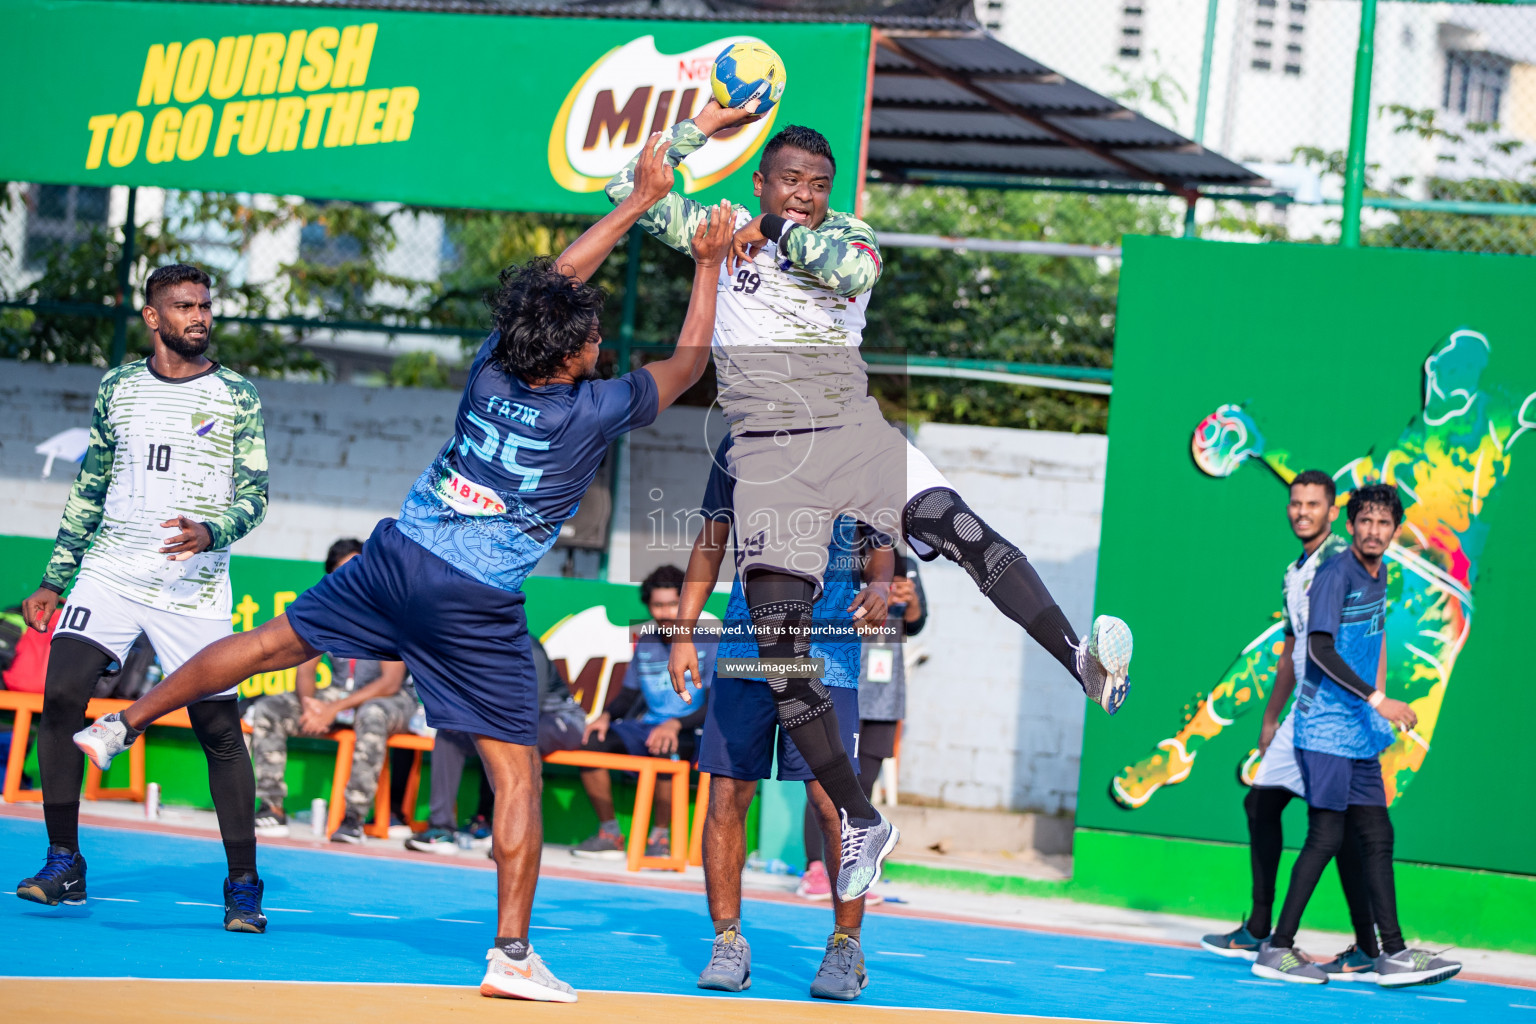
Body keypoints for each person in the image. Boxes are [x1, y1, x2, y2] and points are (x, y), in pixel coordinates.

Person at [71, 137, 734, 1003]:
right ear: (571, 356)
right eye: (593, 337)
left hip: (396, 557)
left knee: (268, 644)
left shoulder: (493, 369)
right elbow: (689, 363)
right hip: (472, 597)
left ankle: (123, 722)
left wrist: (637, 204)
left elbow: (553, 285)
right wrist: (711, 262)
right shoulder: (592, 411)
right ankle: (511, 955)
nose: (600, 340)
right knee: (516, 771)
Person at [610, 101, 1133, 901]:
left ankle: (1081, 662)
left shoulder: (847, 237)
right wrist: (705, 126)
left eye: (817, 184)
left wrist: (772, 231)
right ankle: (861, 819)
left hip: (853, 433)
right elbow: (627, 185)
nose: (805, 194)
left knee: (963, 531)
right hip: (770, 456)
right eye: (789, 181)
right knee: (782, 654)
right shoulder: (719, 232)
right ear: (762, 180)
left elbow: (848, 272)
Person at [15, 263, 269, 933]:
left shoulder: (237, 395)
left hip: (194, 582)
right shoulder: (118, 389)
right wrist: (54, 577)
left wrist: (215, 529)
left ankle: (243, 882)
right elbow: (89, 487)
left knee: (218, 728)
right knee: (63, 693)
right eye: (184, 305)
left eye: (205, 305)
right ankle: (64, 860)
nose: (199, 316)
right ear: (153, 317)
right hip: (112, 570)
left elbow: (256, 496)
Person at [671, 433, 890, 1001]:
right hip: (746, 647)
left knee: (833, 804)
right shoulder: (739, 442)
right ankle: (727, 943)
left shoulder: (855, 436)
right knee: (726, 797)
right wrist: (684, 630)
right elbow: (710, 541)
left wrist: (882, 583)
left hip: (828, 654)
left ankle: (846, 945)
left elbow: (881, 538)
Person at [1251, 485, 1461, 987]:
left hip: (1359, 731)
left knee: (1377, 836)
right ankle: (1276, 948)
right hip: (1322, 729)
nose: (1373, 531)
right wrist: (1377, 699)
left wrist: (1376, 701)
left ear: (1394, 530)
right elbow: (1320, 649)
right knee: (1325, 835)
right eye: (1365, 521)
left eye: (1383, 523)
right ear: (1350, 527)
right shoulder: (1334, 575)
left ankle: (1392, 953)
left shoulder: (1380, 571)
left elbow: (1373, 636)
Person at [1201, 471, 1381, 980]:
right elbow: (1290, 648)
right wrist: (1270, 715)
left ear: (1331, 510)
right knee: (1274, 806)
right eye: (1295, 503)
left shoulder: (1341, 563)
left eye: (1313, 504)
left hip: (1328, 710)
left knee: (1330, 823)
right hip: (1301, 709)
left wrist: (1367, 702)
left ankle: (1283, 936)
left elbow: (1365, 638)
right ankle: (1276, 931)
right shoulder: (1295, 570)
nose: (1301, 511)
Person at [250, 537, 418, 843]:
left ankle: (354, 818)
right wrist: (311, 703)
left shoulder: (391, 610)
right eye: (344, 570)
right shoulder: (328, 607)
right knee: (269, 709)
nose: (354, 575)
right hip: (340, 695)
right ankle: (272, 808)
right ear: (332, 576)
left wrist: (333, 709)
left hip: (390, 699)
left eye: (359, 567)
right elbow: (306, 668)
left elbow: (390, 683)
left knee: (373, 714)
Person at [799, 547, 925, 901]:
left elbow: (916, 623)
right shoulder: (839, 556)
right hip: (842, 676)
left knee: (863, 782)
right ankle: (815, 869)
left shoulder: (907, 566)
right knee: (826, 780)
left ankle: (856, 868)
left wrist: (907, 600)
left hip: (884, 690)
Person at [571, 565, 715, 861]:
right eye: (657, 605)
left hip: (693, 732)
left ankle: (660, 839)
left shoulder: (710, 643)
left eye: (673, 604)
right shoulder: (646, 641)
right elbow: (628, 695)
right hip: (648, 727)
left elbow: (714, 704)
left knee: (663, 745)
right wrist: (606, 716)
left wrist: (675, 724)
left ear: (688, 602)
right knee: (592, 741)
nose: (664, 613)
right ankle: (610, 833)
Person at [407, 636, 581, 855]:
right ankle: (442, 828)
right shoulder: (475, 647)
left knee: (509, 736)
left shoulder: (527, 648)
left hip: (559, 721)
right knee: (450, 734)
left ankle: (510, 835)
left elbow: (529, 709)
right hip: (502, 720)